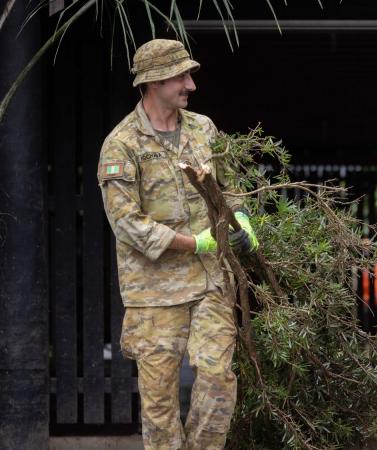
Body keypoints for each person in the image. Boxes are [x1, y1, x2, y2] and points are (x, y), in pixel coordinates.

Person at [97, 39, 258, 450]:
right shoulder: (122, 144)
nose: (191, 85)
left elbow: (231, 186)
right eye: (181, 76)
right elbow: (126, 222)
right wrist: (193, 243)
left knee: (219, 378)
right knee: (159, 401)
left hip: (210, 283)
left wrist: (240, 217)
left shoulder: (204, 129)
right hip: (154, 293)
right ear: (154, 81)